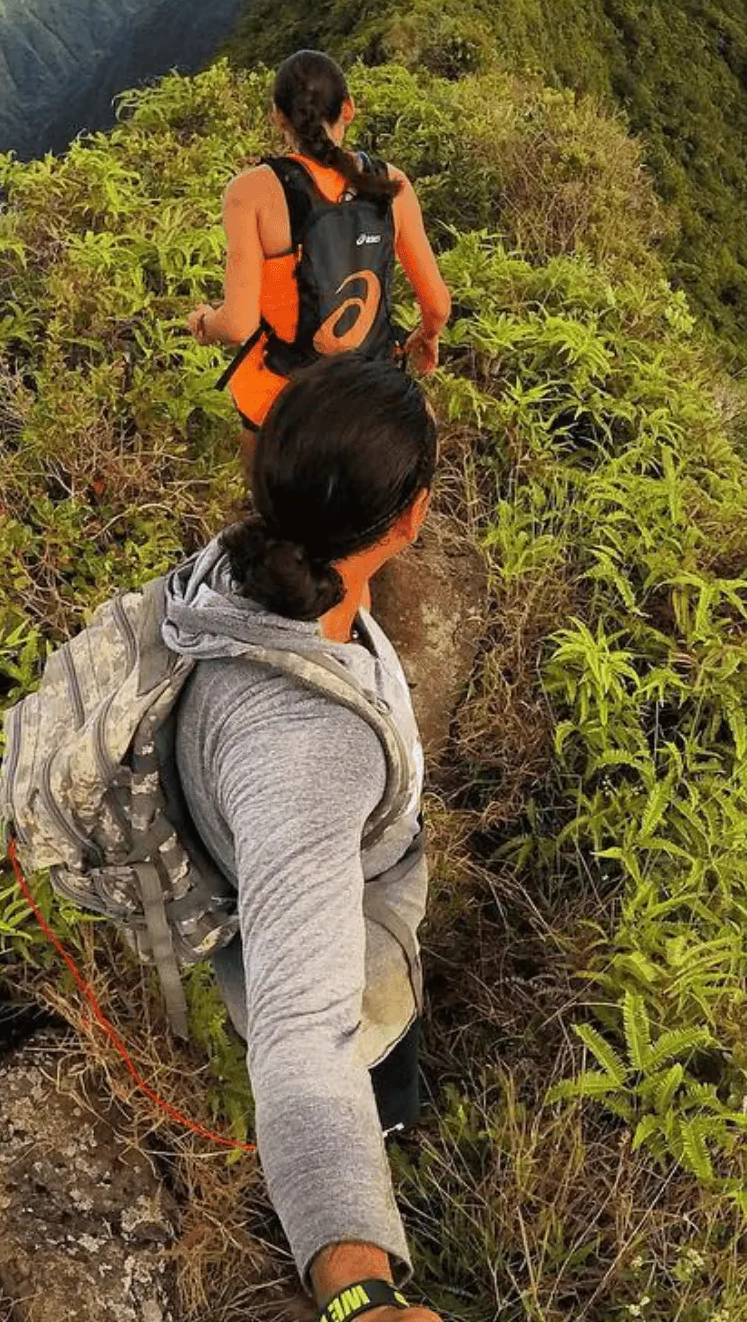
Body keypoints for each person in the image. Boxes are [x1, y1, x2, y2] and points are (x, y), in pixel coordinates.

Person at [163, 353, 447, 1322]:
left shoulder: (233, 568)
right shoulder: (306, 747)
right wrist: (357, 1296)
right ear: (407, 519)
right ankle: (365, 1147)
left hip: (266, 866)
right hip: (321, 929)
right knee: (363, 1063)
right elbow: (299, 1033)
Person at [186, 51, 451, 463]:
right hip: (370, 392)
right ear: (349, 109)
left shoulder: (251, 191)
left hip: (286, 398)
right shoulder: (392, 183)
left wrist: (204, 323)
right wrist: (427, 336)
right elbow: (436, 304)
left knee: (274, 511)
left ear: (277, 116)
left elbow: (239, 325)